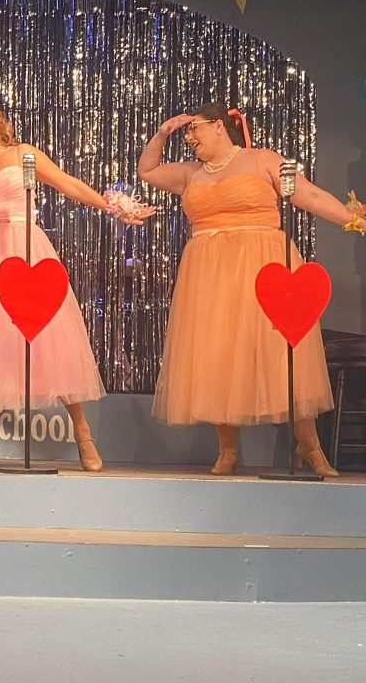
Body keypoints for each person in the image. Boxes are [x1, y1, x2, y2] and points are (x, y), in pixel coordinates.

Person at [0, 96, 154, 471]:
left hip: (22, 251)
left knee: (51, 342)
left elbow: (67, 184)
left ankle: (83, 434)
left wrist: (113, 208)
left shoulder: (23, 153)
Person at [138, 102, 359, 477]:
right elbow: (148, 170)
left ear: (219, 126)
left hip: (263, 267)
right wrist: (162, 133)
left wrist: (356, 221)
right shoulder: (191, 173)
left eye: (194, 129)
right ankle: (228, 451)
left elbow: (311, 196)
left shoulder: (262, 160)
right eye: (186, 133)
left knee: (282, 352)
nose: (189, 138)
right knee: (218, 354)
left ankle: (310, 445)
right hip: (210, 273)